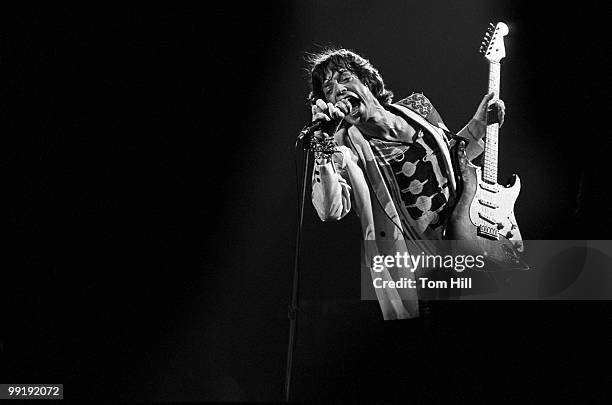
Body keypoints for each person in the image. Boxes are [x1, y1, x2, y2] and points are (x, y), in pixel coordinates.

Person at [307, 48, 505, 320]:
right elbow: (330, 210)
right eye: (328, 90)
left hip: (468, 251)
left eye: (344, 78)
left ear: (367, 81)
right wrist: (322, 144)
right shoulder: (343, 145)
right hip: (421, 277)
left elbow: (449, 160)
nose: (338, 90)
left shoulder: (418, 107)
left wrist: (478, 126)